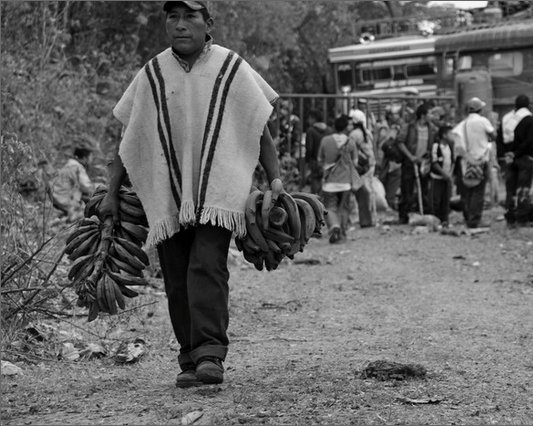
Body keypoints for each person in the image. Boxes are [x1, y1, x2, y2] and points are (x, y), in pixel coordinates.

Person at [98, 1, 283, 388]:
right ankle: (189, 357)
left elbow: (257, 125)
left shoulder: (231, 68)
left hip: (219, 188)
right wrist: (112, 192)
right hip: (166, 190)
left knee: (207, 265)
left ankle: (211, 353)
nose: (181, 25)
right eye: (173, 17)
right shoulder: (152, 73)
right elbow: (128, 138)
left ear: (208, 23)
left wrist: (276, 179)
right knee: (177, 274)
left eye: (190, 17)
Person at [453, 97, 496, 229]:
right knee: (478, 191)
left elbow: (457, 143)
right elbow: (494, 135)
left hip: (465, 162)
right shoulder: (483, 121)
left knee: (467, 191)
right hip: (480, 160)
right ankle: (475, 220)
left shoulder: (462, 124)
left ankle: (468, 218)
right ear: (480, 109)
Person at [497, 94, 533, 227]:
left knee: (510, 189)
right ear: (528, 105)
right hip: (524, 158)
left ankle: (510, 217)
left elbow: (499, 139)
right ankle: (522, 218)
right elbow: (530, 141)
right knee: (523, 188)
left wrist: (506, 155)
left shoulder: (506, 118)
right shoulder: (529, 119)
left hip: (509, 159)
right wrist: (517, 153)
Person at [318, 115, 358, 243]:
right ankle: (342, 233)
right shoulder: (351, 142)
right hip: (345, 183)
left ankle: (334, 226)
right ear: (346, 127)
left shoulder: (325, 140)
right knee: (344, 208)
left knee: (330, 207)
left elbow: (319, 159)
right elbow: (355, 163)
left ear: (334, 126)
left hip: (329, 182)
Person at [395, 103, 431, 224]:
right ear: (423, 115)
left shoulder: (431, 128)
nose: (431, 116)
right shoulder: (409, 127)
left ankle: (421, 212)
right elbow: (400, 142)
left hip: (424, 163)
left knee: (424, 189)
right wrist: (410, 157)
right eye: (429, 113)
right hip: (410, 163)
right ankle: (404, 215)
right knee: (407, 190)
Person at [50, 144, 96, 221]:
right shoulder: (77, 167)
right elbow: (87, 187)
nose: (92, 160)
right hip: (63, 198)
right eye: (91, 157)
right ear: (85, 158)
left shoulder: (69, 164)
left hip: (55, 196)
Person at [349, 109, 375, 228]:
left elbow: (351, 150)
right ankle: (372, 218)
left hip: (359, 167)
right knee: (369, 192)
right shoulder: (368, 133)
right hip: (370, 165)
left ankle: (359, 218)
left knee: (359, 192)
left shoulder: (354, 134)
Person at [376, 104, 404, 211]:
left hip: (392, 159)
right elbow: (375, 142)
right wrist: (375, 158)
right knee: (381, 180)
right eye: (394, 114)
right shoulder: (380, 126)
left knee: (394, 180)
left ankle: (390, 202)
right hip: (381, 158)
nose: (396, 116)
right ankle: (382, 204)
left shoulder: (397, 128)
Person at [430, 124, 455, 228]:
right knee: (436, 199)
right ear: (444, 135)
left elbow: (453, 161)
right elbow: (434, 162)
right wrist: (443, 173)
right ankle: (437, 220)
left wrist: (450, 174)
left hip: (447, 177)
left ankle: (446, 220)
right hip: (437, 177)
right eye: (450, 134)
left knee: (446, 199)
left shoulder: (450, 146)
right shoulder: (436, 146)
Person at [305, 109, 331, 194]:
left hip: (315, 162)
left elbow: (309, 148)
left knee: (315, 182)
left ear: (313, 118)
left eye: (309, 118)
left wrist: (307, 160)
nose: (308, 121)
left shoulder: (311, 131)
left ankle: (316, 202)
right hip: (327, 161)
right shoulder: (329, 130)